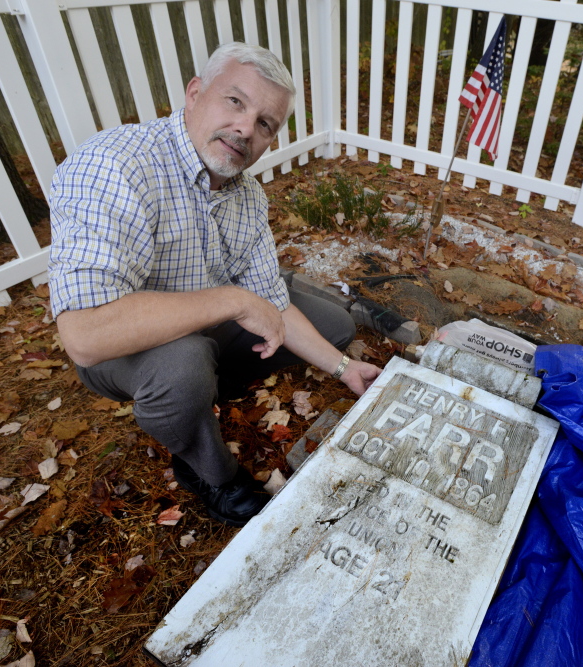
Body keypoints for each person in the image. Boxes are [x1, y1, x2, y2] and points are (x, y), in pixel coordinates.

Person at [47, 42, 382, 526]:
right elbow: (85, 336)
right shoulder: (115, 166)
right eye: (235, 101)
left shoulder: (246, 196)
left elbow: (268, 299)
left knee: (334, 326)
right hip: (121, 348)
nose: (246, 128)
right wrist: (233, 300)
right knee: (182, 365)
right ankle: (209, 473)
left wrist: (344, 368)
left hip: (206, 323)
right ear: (195, 92)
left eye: (265, 123)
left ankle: (196, 394)